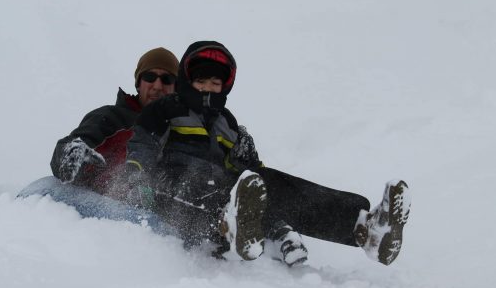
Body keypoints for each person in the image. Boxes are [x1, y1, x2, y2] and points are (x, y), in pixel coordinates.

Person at [124, 40, 410, 266]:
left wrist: (255, 170)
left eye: (215, 83)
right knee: (199, 185)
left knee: (271, 182)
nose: (208, 88)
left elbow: (251, 178)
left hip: (223, 193)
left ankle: (365, 227)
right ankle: (230, 229)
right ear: (188, 81)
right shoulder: (165, 109)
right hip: (171, 189)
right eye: (201, 82)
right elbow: (142, 146)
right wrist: (136, 175)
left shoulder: (228, 123)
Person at [49, 47, 179, 195]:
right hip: (104, 210)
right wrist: (71, 154)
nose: (157, 86)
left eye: (167, 79)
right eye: (150, 77)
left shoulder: (182, 133)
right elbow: (68, 149)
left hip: (160, 213)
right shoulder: (111, 119)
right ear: (138, 83)